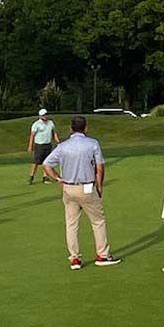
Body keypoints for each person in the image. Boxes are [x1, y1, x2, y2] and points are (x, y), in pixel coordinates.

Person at [43, 116, 119, 270]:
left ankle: (75, 259)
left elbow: (46, 164)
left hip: (69, 188)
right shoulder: (92, 144)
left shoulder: (63, 146)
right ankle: (102, 255)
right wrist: (100, 186)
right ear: (86, 128)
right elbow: (100, 167)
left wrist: (58, 178)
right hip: (87, 187)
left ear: (71, 129)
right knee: (97, 221)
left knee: (71, 224)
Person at [26, 108, 58, 186]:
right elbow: (32, 135)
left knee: (46, 162)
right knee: (36, 162)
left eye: (46, 115)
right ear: (40, 116)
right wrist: (30, 146)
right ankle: (31, 176)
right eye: (43, 115)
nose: (45, 116)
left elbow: (54, 132)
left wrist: (57, 140)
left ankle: (45, 177)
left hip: (48, 144)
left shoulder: (50, 123)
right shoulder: (36, 124)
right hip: (39, 145)